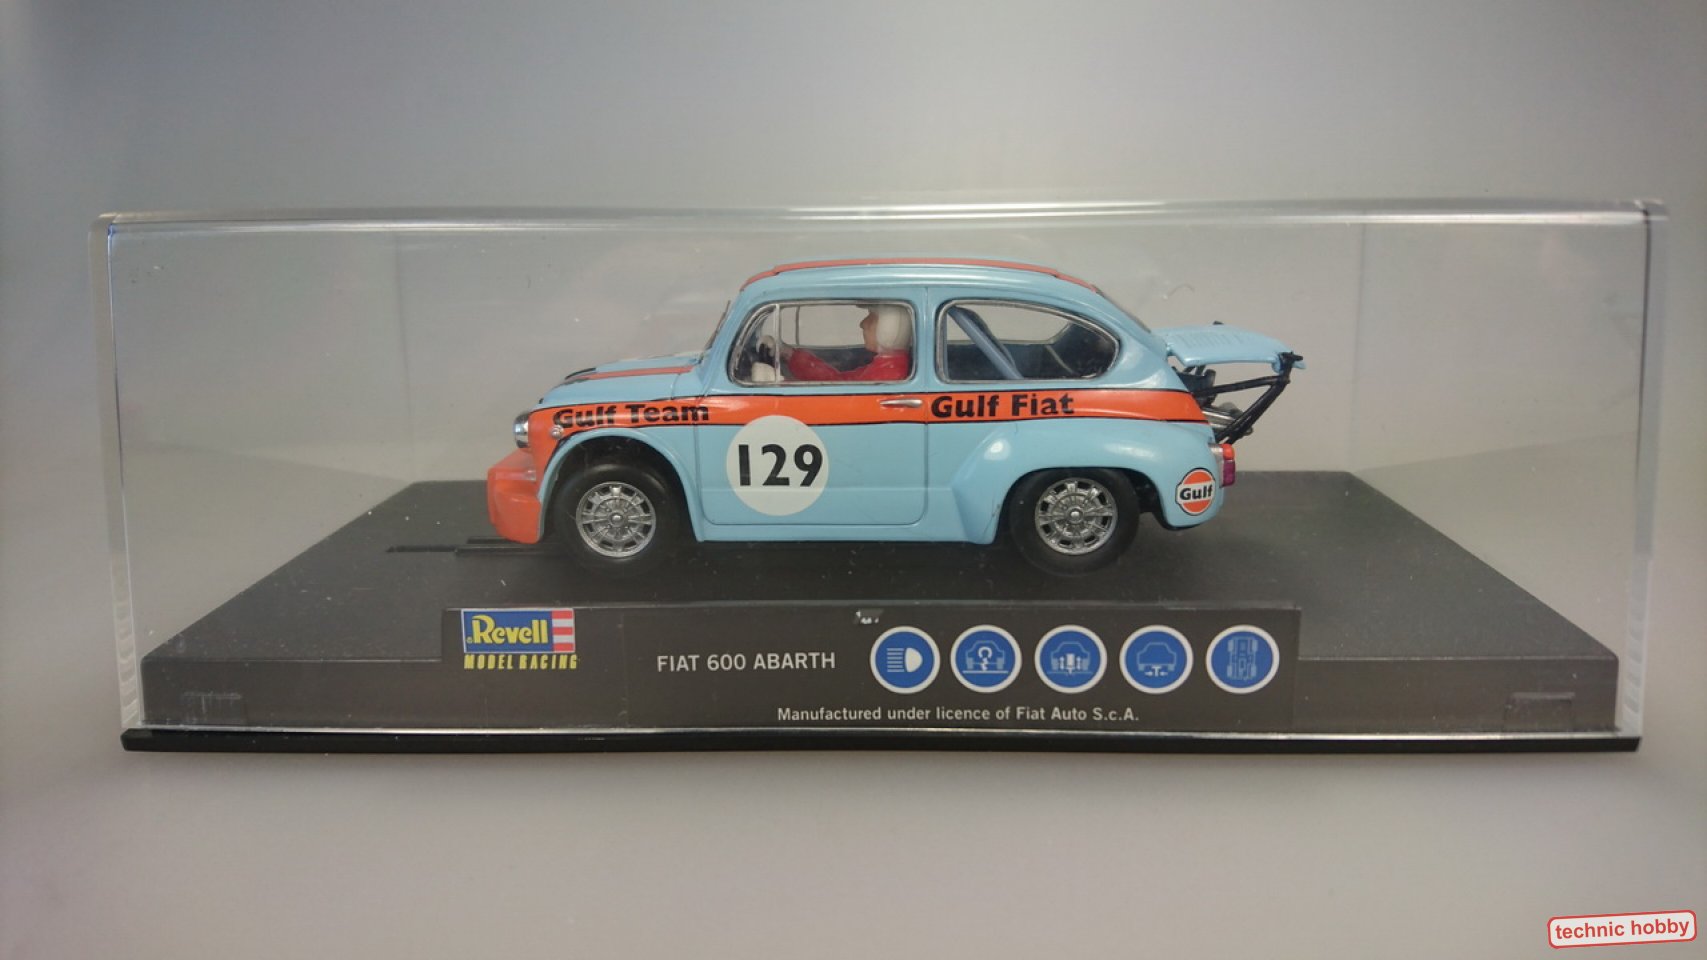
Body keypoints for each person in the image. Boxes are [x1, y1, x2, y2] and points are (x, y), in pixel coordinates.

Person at [781, 304, 912, 382]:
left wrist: (785, 383)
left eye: (872, 319)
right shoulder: (887, 365)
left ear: (889, 330)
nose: (863, 324)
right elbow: (839, 381)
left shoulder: (888, 372)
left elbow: (836, 390)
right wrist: (791, 355)